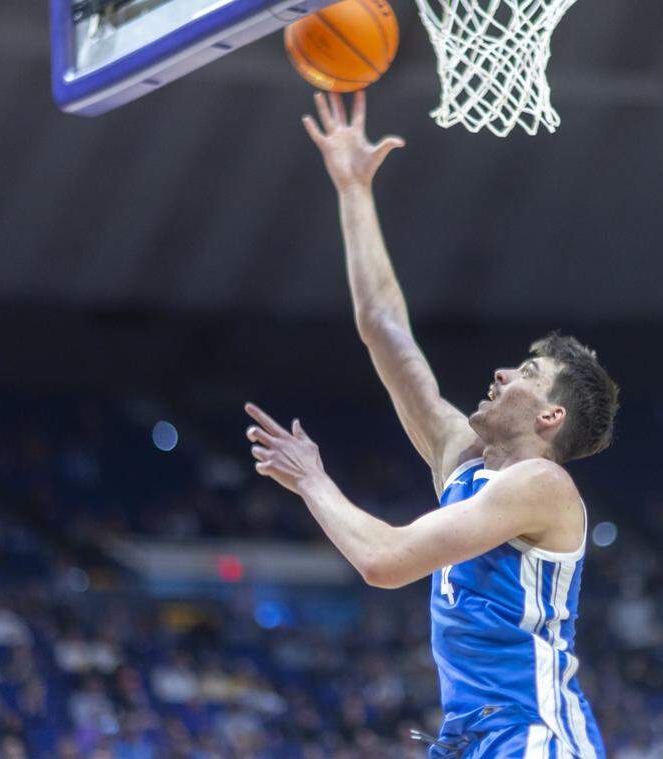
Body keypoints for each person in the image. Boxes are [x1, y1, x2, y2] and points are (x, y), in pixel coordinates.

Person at [244, 91, 618, 759]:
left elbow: (384, 560)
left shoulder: (544, 485)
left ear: (550, 415)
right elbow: (385, 331)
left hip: (534, 738)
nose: (504, 372)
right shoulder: (463, 459)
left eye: (528, 371)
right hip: (476, 740)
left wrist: (313, 480)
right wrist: (354, 189)